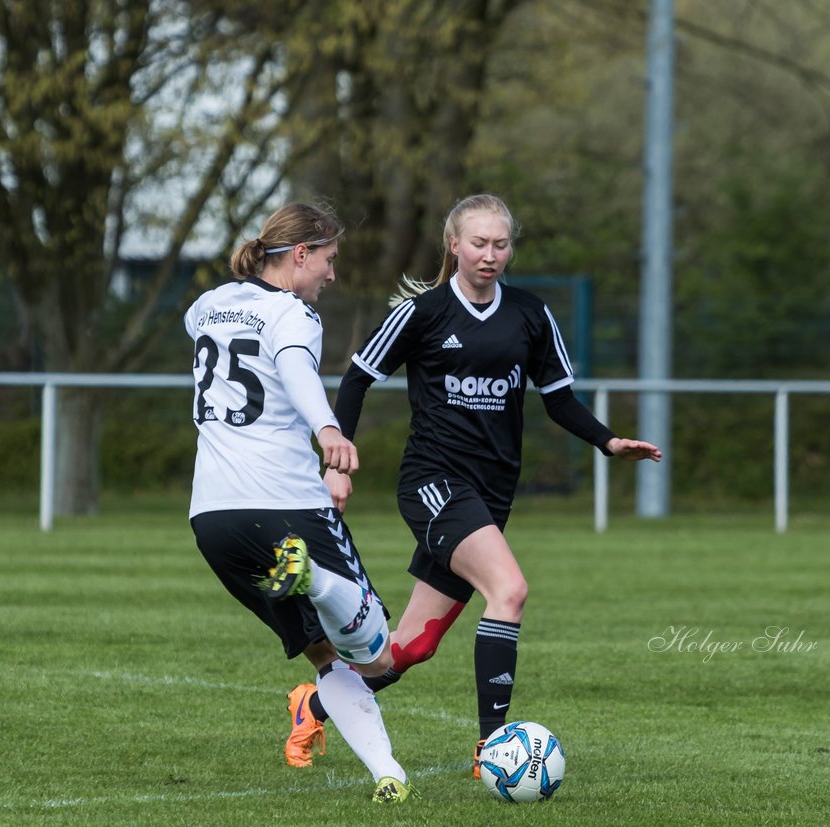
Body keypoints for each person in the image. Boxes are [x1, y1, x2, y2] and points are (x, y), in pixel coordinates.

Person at [284, 193, 662, 777]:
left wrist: (608, 442)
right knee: (508, 590)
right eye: (478, 243)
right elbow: (357, 378)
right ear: (454, 246)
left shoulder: (531, 316)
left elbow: (558, 400)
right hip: (434, 484)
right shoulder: (425, 312)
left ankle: (315, 702)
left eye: (501, 244)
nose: (490, 255)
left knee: (406, 650)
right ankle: (495, 751)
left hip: (490, 495)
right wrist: (337, 460)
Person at [186, 202, 413, 803]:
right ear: (302, 254)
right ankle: (311, 575)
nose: (332, 275)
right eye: (329, 260)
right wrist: (328, 430)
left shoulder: (209, 305)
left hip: (211, 517)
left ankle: (388, 774)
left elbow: (203, 327)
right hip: (285, 503)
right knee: (378, 653)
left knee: (324, 657)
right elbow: (292, 368)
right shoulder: (295, 314)